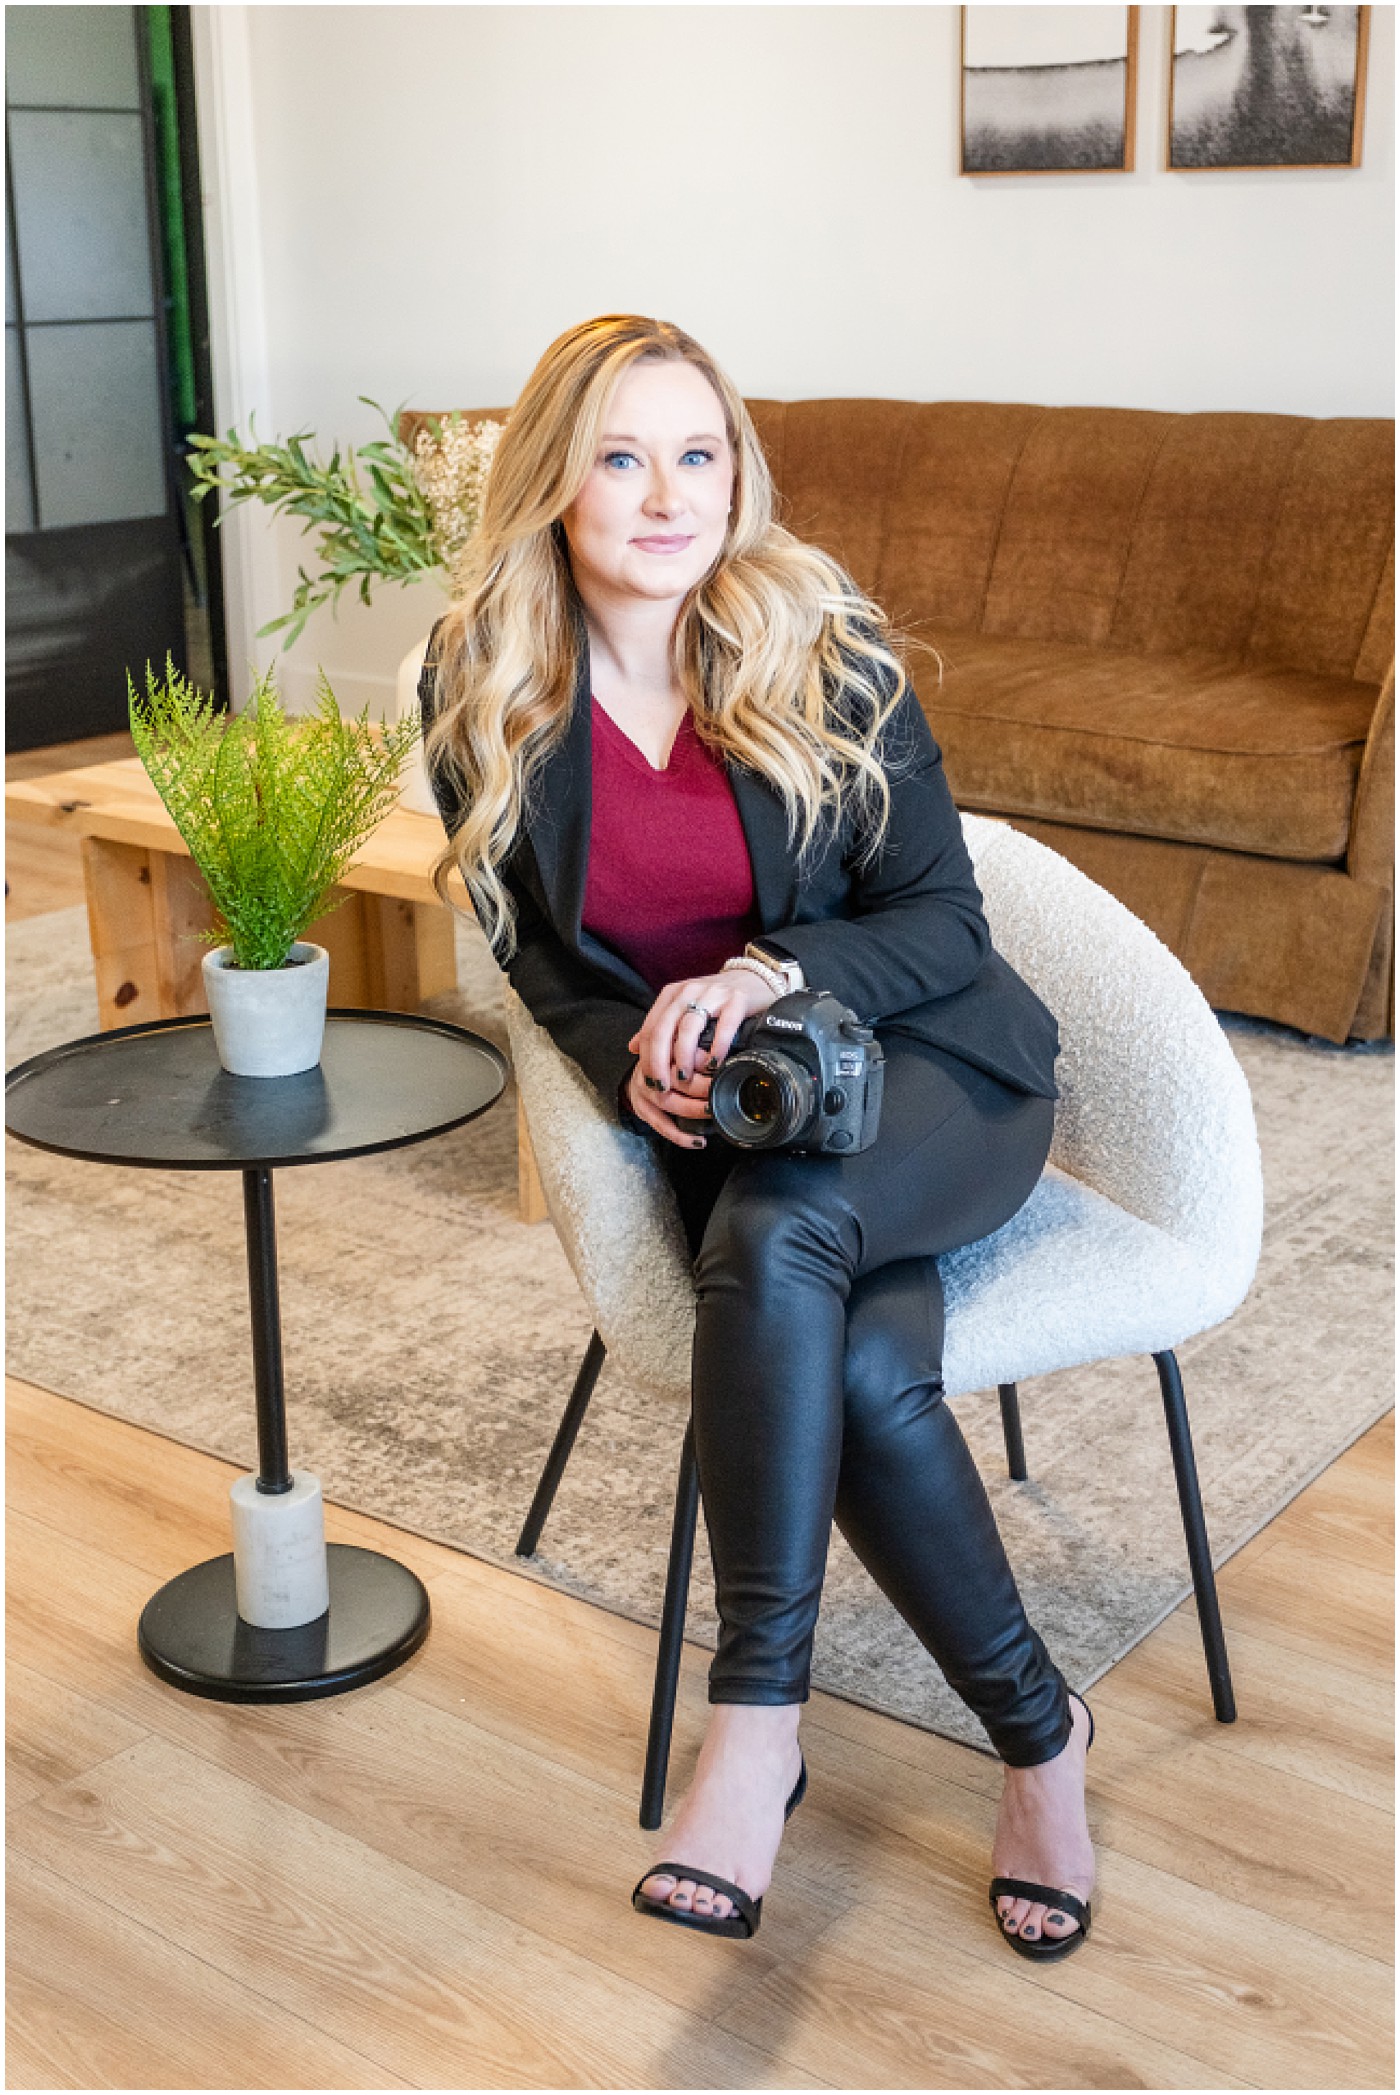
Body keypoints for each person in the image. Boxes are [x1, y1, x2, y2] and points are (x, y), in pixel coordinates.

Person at [420, 313, 1096, 1957]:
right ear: (555, 484)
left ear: (738, 473)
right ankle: (1043, 1738)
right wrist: (623, 1063)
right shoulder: (485, 681)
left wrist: (770, 968)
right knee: (857, 1357)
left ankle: (756, 1726)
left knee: (783, 1232)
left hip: (943, 1082)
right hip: (755, 1126)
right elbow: (531, 959)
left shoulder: (823, 640)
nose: (666, 497)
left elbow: (945, 915)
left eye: (697, 453)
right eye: (621, 456)